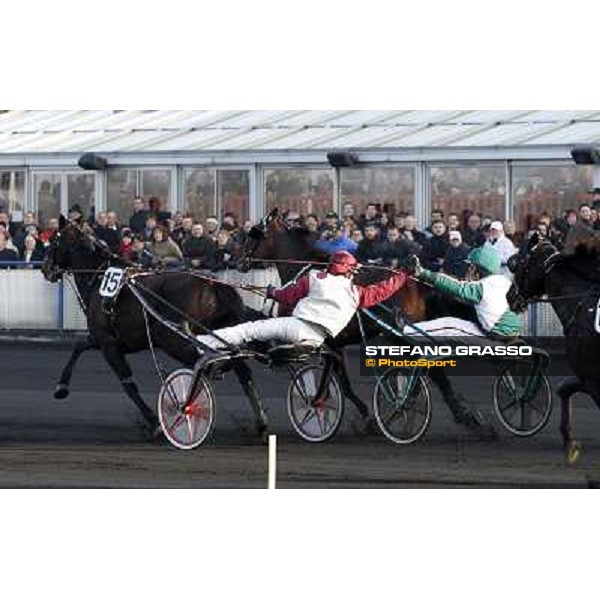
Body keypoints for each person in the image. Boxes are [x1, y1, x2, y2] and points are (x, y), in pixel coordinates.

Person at [195, 251, 409, 360]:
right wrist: (404, 275)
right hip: (320, 338)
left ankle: (202, 341)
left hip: (297, 326)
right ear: (350, 271)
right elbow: (384, 289)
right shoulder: (357, 293)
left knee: (249, 329)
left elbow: (288, 297)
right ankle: (296, 350)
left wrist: (272, 293)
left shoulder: (315, 278)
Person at [405, 245, 521, 339]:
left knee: (449, 326)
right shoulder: (504, 281)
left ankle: (405, 331)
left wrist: (421, 272)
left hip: (496, 336)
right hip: (509, 333)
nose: (468, 270)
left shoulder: (483, 286)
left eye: (470, 266)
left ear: (477, 269)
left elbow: (454, 286)